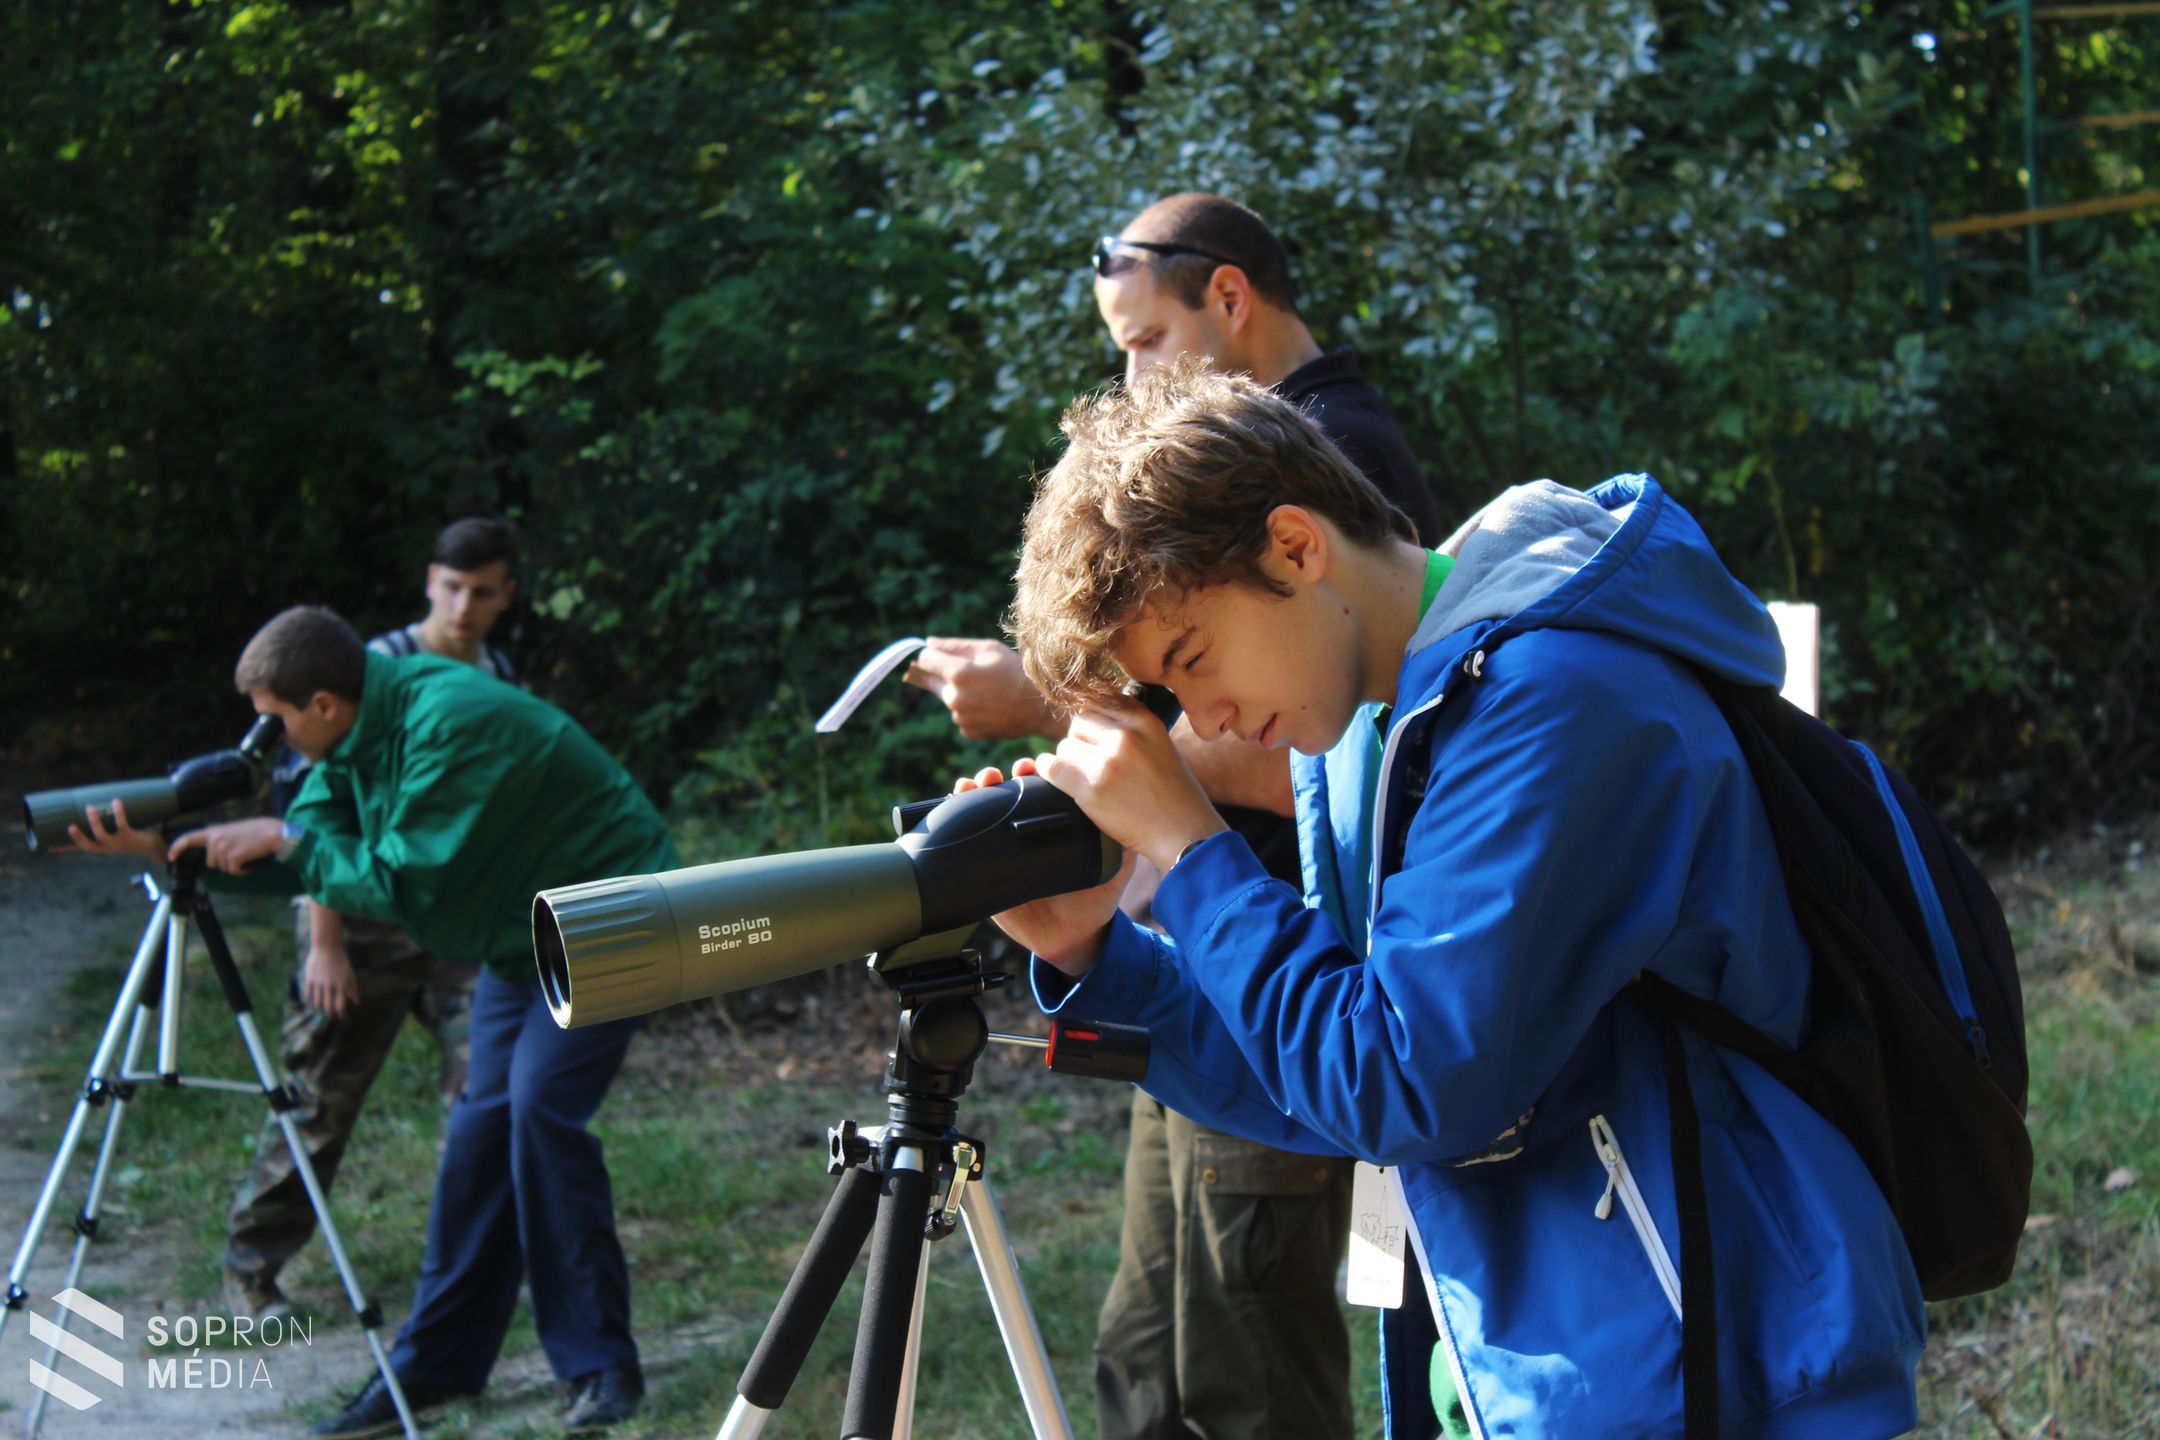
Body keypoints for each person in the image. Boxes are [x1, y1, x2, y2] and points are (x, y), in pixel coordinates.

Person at [960, 360, 1927, 1438]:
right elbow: (1325, 1071)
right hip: (1546, 1368)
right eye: (1169, 692)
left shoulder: (1557, 703)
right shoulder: (1363, 735)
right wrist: (1100, 958)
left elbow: (1403, 1083)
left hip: (1734, 1366)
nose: (1206, 719)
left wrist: (1193, 854)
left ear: (1294, 546)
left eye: (1193, 658)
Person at [906, 193, 1447, 1440]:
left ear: (1230, 297)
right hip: (1231, 960)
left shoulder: (1329, 469)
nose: (1134, 375)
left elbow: (1401, 1078)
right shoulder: (1275, 503)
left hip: (1280, 956)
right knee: (1150, 1355)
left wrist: (1156, 807)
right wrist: (1094, 950)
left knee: (1242, 1360)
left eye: (1147, 341)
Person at [72, 604, 668, 1437]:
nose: (267, 742)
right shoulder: (356, 732)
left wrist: (286, 838)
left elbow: (402, 879)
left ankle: (602, 1364)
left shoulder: (449, 722)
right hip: (519, 937)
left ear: (321, 704)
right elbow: (312, 852)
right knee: (481, 1132)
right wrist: (167, 847)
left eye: (273, 721)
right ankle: (435, 1367)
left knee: (539, 1111)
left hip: (614, 913)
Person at [223, 516, 522, 1326]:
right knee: (320, 1097)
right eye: (452, 588)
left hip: (454, 919)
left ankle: (471, 1273)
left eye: (481, 591)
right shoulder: (366, 671)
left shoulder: (499, 675)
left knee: (487, 1091)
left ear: (505, 596)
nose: (463, 607)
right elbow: (316, 817)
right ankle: (251, 1269)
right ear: (430, 582)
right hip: (357, 916)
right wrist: (324, 943)